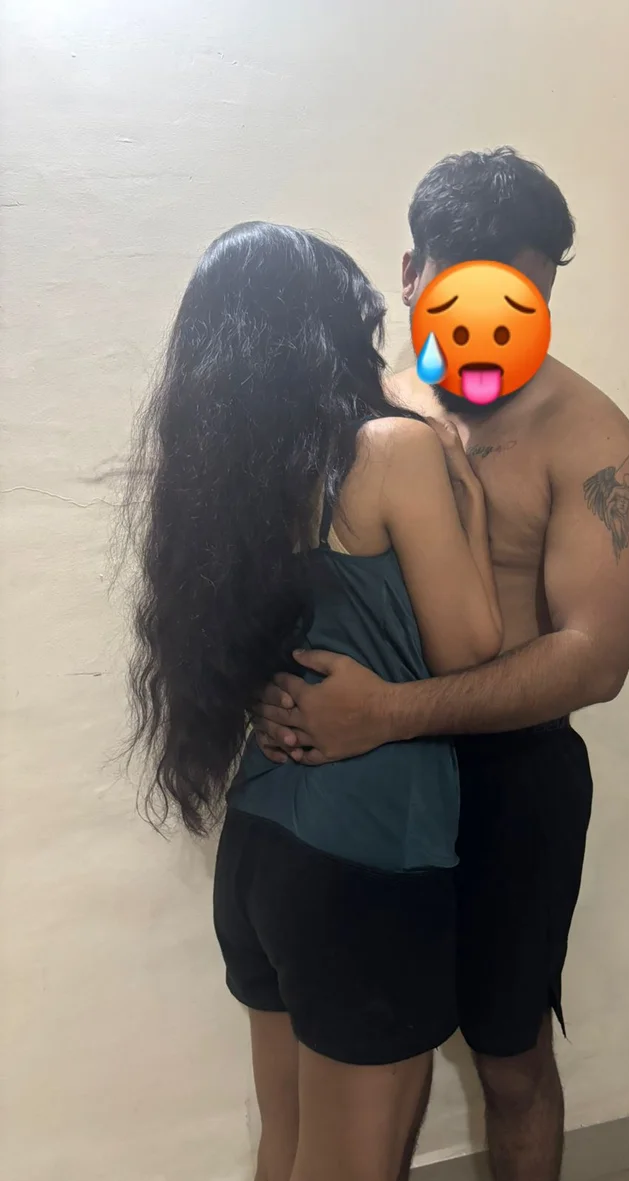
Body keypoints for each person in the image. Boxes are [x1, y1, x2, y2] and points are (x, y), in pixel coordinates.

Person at [251, 149, 629, 1181]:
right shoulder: (363, 413)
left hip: (509, 779)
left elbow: (594, 659)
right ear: (409, 275)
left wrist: (389, 712)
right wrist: (267, 687)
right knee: (381, 1059)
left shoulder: (589, 439)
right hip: (366, 782)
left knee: (510, 1061)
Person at [121, 221, 502, 1181]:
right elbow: (472, 647)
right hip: (366, 853)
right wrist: (465, 484)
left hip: (261, 848)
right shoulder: (391, 451)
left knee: (287, 1146)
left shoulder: (236, 486)